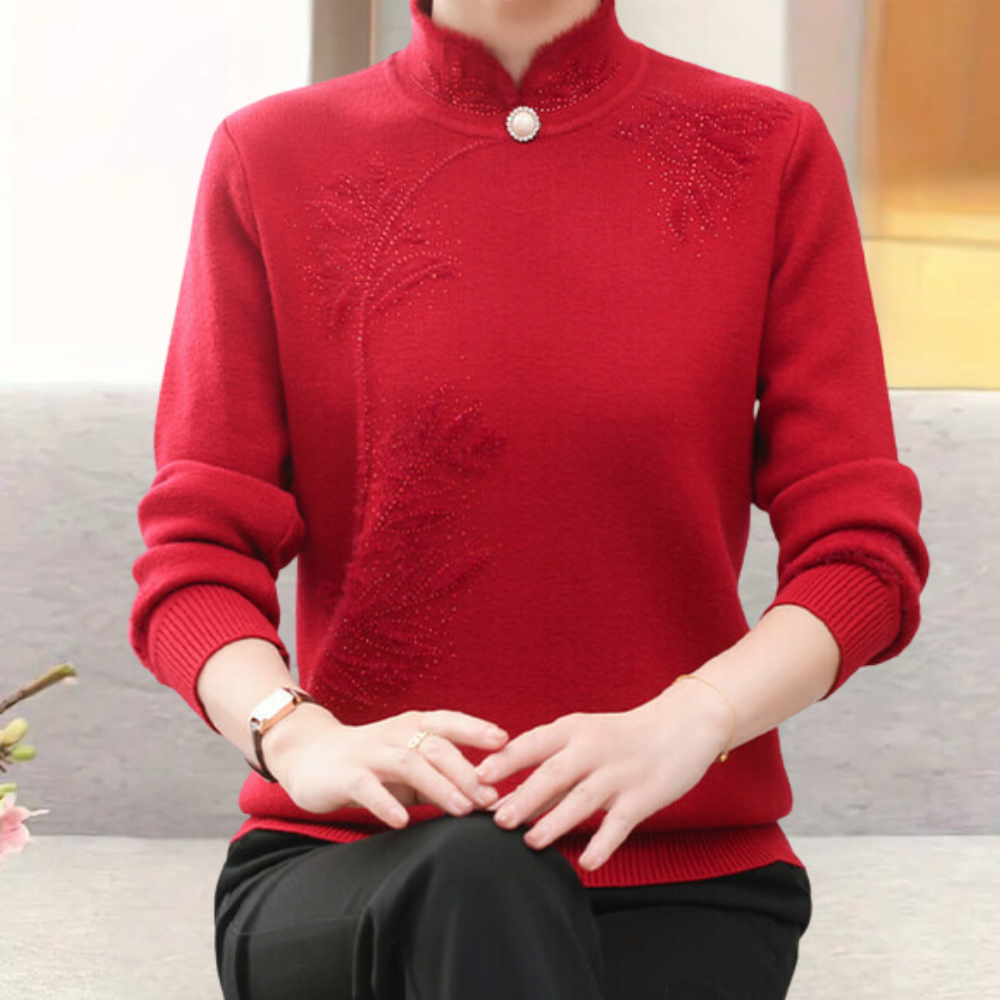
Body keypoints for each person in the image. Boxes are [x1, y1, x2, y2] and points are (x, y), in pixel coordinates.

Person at [128, 0, 931, 997]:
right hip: (350, 869)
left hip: (683, 876)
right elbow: (195, 562)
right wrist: (297, 736)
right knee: (477, 875)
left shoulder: (769, 148)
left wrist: (693, 719)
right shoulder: (271, 156)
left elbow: (861, 557)